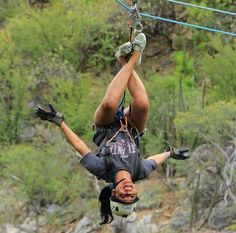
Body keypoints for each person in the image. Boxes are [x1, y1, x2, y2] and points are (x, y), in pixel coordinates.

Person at [36, 33, 190, 224]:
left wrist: (60, 123)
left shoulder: (102, 170)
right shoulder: (139, 172)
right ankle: (125, 59)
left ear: (114, 192)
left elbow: (80, 146)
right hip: (131, 127)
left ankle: (132, 57)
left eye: (123, 197)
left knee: (109, 103)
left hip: (105, 125)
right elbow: (155, 160)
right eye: (131, 196)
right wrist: (171, 153)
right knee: (142, 104)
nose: (128, 192)